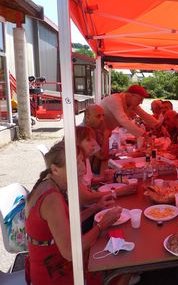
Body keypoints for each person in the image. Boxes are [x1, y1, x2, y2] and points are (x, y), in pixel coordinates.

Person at [25, 141, 130, 284]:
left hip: (55, 264)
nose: (82, 168)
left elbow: (65, 223)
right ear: (55, 169)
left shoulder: (49, 184)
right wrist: (102, 225)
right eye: (76, 163)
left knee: (116, 258)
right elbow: (69, 252)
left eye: (81, 160)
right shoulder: (51, 198)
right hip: (54, 275)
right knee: (125, 267)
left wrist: (95, 207)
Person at [75, 126, 136, 205]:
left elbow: (88, 182)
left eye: (93, 139)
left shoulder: (85, 158)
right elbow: (86, 198)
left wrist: (103, 179)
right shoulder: (75, 165)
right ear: (77, 143)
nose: (94, 143)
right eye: (88, 140)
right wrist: (119, 192)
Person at [82, 104, 111, 174]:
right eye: (98, 116)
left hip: (89, 174)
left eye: (103, 115)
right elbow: (103, 156)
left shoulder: (93, 129)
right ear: (87, 117)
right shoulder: (84, 132)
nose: (102, 119)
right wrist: (106, 135)